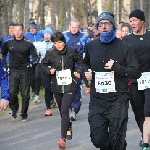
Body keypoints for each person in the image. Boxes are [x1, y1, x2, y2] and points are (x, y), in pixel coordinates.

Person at [84, 12, 140, 150]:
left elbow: (136, 72)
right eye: (101, 24)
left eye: (107, 24)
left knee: (116, 141)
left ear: (113, 26)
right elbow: (85, 65)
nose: (103, 27)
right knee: (98, 139)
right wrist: (87, 72)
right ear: (97, 27)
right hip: (97, 101)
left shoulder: (124, 47)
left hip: (118, 100)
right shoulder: (91, 46)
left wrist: (117, 67)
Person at [41, 32, 83, 148]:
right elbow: (43, 66)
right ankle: (68, 125)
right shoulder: (50, 53)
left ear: (64, 41)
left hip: (70, 84)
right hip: (57, 85)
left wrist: (78, 72)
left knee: (65, 110)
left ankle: (62, 138)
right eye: (55, 43)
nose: (58, 45)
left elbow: (80, 63)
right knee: (62, 111)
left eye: (60, 42)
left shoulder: (71, 51)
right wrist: (49, 71)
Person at [123, 9, 150, 150]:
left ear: (142, 21)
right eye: (131, 21)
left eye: (135, 20)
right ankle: (144, 134)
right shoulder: (127, 39)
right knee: (139, 111)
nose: (132, 23)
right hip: (134, 80)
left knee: (148, 110)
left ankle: (146, 142)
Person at [1, 23, 38, 122]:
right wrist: (5, 65)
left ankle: (24, 113)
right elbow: (3, 54)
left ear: (23, 31)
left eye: (19, 30)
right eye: (15, 30)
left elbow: (35, 57)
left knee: (25, 94)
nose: (17, 32)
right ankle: (14, 109)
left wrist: (31, 63)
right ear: (13, 31)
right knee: (12, 92)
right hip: (13, 70)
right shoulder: (8, 42)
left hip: (25, 71)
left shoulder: (28, 43)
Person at [63, 18, 90, 121]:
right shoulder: (64, 36)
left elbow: (89, 50)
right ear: (69, 27)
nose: (74, 29)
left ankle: (74, 109)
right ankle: (67, 107)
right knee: (67, 87)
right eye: (72, 27)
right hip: (66, 66)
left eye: (76, 27)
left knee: (76, 86)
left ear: (79, 27)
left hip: (78, 66)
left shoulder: (84, 37)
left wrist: (86, 56)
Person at [33, 28, 54, 115]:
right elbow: (37, 55)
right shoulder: (39, 44)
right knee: (47, 88)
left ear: (51, 35)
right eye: (45, 34)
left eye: (48, 34)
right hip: (44, 68)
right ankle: (48, 108)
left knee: (55, 87)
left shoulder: (54, 44)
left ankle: (56, 100)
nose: (46, 35)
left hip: (54, 68)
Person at [24, 21, 44, 100]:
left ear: (36, 28)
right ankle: (34, 91)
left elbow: (48, 35)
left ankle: (37, 94)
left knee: (37, 77)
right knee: (31, 78)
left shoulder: (40, 34)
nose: (32, 29)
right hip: (29, 59)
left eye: (34, 28)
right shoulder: (26, 35)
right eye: (31, 28)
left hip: (38, 59)